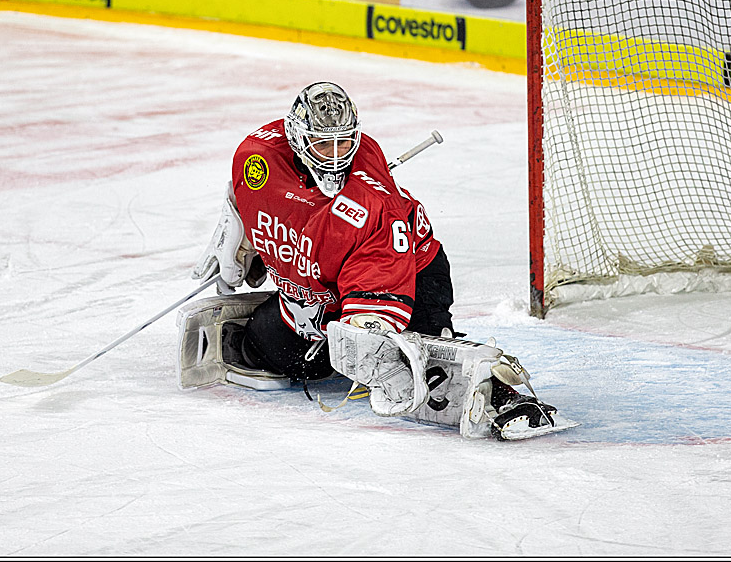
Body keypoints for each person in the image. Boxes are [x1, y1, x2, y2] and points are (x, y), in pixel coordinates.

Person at [189, 82, 573, 440]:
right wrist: (237, 227)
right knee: (275, 349)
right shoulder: (258, 157)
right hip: (326, 290)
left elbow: (379, 277)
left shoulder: (373, 208)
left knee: (413, 358)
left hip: (412, 275)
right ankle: (327, 348)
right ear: (297, 138)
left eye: (344, 145)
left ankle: (502, 398)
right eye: (324, 145)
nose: (336, 157)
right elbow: (250, 194)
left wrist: (368, 336)